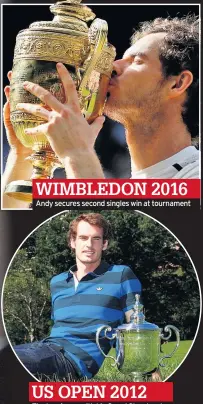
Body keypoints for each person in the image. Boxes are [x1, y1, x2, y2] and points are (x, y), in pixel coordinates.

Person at [2, 15, 199, 208]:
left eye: (137, 61)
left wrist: (78, 153)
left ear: (178, 83)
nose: (113, 66)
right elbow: (11, 237)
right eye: (121, 58)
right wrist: (24, 154)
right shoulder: (123, 189)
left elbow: (101, 226)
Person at [12, 213, 142, 381]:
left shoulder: (120, 275)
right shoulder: (57, 282)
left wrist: (147, 369)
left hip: (72, 362)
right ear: (72, 242)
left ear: (104, 244)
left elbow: (137, 325)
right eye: (83, 238)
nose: (89, 245)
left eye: (96, 238)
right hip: (43, 348)